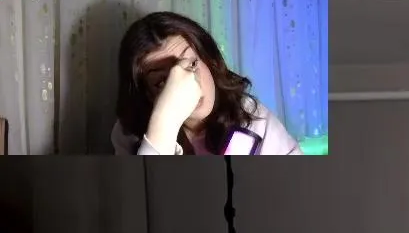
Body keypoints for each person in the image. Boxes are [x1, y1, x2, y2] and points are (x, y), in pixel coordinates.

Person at [112, 12, 301, 156]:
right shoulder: (128, 132)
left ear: (209, 61)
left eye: (192, 64)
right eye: (163, 81)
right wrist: (164, 123)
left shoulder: (251, 117)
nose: (188, 84)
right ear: (146, 94)